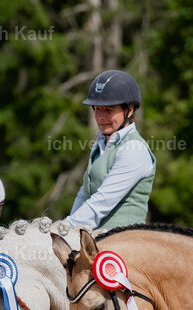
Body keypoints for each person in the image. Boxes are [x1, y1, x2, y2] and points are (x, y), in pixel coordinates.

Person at [66, 70, 156, 232]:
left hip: (124, 240)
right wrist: (64, 229)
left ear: (129, 110)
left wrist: (66, 228)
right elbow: (84, 194)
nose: (100, 117)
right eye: (97, 109)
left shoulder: (134, 150)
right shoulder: (100, 144)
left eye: (108, 110)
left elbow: (103, 201)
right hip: (95, 239)